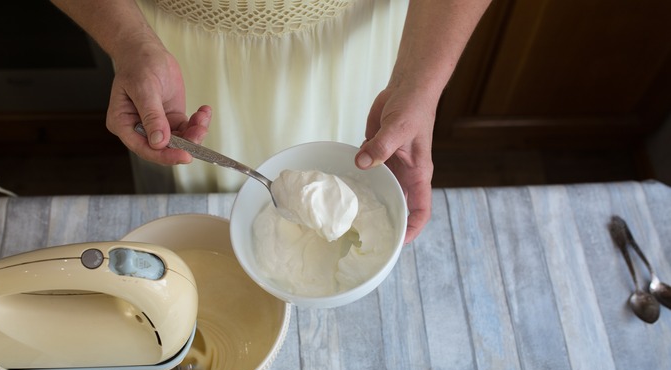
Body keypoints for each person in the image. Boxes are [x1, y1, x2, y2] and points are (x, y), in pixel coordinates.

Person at [51, 0, 492, 243]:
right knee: (188, 199)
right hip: (168, 43)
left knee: (357, 153)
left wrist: (419, 83)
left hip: (362, 39)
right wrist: (130, 43)